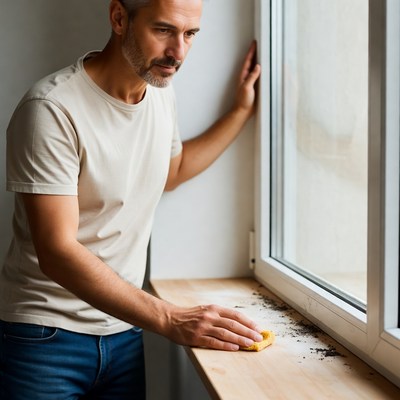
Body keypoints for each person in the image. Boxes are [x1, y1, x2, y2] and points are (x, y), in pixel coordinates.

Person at [0, 0, 262, 398]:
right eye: (163, 30)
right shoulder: (51, 109)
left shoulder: (160, 93)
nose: (179, 52)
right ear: (119, 18)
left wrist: (240, 111)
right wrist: (170, 318)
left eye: (190, 34)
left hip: (122, 331)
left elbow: (171, 172)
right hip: (44, 337)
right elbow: (56, 249)